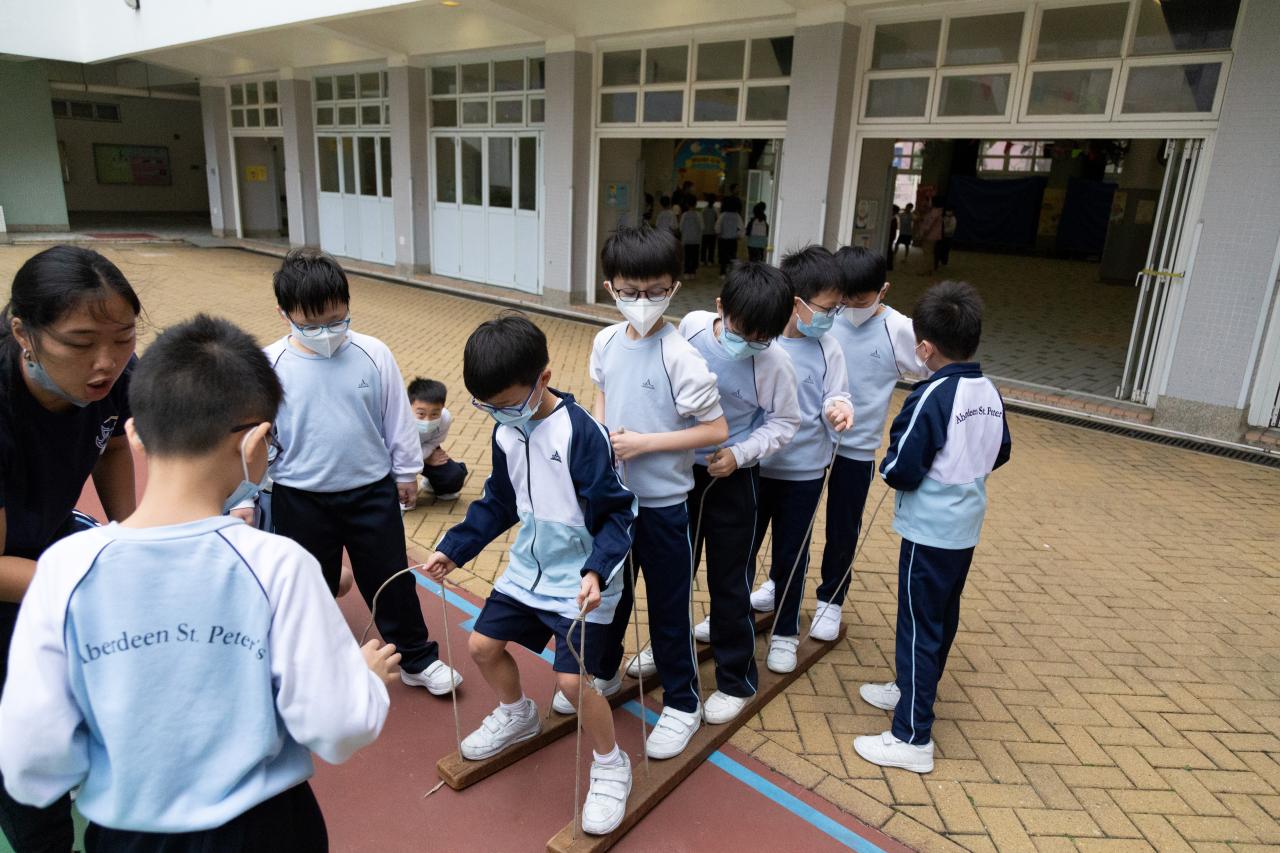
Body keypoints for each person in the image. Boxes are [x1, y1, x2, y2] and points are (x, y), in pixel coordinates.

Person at [0, 314, 397, 850]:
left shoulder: (63, 569)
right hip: (267, 830)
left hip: (125, 835)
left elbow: (31, 761)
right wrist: (364, 681)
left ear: (135, 434)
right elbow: (338, 727)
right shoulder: (279, 564)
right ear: (257, 442)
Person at [424, 313, 637, 836]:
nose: (499, 415)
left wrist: (597, 570)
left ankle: (612, 764)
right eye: (487, 407)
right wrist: (455, 549)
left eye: (506, 404)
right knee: (481, 646)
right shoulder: (506, 429)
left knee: (573, 682)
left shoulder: (581, 432)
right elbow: (499, 500)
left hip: (582, 577)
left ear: (543, 379)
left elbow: (620, 514)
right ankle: (517, 713)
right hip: (529, 567)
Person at [261, 249, 461, 695]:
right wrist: (249, 491)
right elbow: (258, 432)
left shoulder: (373, 353)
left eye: (336, 319)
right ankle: (312, 662)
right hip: (300, 495)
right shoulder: (268, 364)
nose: (326, 332)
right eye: (311, 324)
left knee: (390, 576)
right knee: (309, 583)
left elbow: (396, 417)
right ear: (284, 314)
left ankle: (415, 657)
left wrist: (406, 472)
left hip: (371, 490)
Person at [0, 245, 141, 852]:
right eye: (81, 343)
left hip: (47, 533)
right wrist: (94, 578)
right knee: (18, 737)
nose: (105, 362)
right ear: (23, 334)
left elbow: (113, 444)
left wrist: (131, 534)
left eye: (124, 338)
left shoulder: (115, 378)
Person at [854, 281, 1011, 774]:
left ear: (923, 348)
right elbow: (1001, 450)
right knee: (941, 617)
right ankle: (910, 688)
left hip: (929, 531)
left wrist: (888, 470)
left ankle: (912, 736)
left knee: (918, 625)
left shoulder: (932, 394)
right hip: (965, 525)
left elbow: (902, 465)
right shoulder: (989, 390)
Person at [591, 226, 729, 759]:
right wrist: (601, 440)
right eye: (630, 291)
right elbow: (602, 395)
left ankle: (682, 703)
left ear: (674, 288)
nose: (642, 301)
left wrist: (646, 443)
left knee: (668, 607)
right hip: (615, 505)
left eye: (655, 291)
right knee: (610, 596)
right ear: (611, 287)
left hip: (666, 506)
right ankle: (603, 672)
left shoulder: (680, 356)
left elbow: (715, 430)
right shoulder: (606, 341)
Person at [680, 261, 799, 724]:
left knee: (730, 582)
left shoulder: (775, 363)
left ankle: (736, 680)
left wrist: (740, 453)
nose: (748, 343)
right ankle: (670, 649)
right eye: (740, 331)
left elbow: (784, 422)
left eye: (761, 338)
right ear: (719, 308)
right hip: (678, 472)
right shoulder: (691, 329)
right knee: (674, 572)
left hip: (734, 478)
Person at [746, 247, 854, 673]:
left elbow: (837, 395)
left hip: (804, 472)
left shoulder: (829, 348)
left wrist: (839, 410)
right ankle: (729, 617)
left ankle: (785, 633)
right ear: (797, 303)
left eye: (836, 309)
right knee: (740, 549)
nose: (832, 317)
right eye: (827, 308)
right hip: (753, 467)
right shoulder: (761, 339)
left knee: (792, 554)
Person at [817, 247, 929, 641]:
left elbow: (932, 370)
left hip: (857, 447)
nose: (849, 306)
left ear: (883, 290)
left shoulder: (899, 329)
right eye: (843, 297)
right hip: (810, 441)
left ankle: (830, 600)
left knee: (842, 526)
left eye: (860, 299)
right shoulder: (826, 314)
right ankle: (781, 582)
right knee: (793, 518)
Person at [407, 377, 467, 501]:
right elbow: (390, 452)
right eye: (421, 414)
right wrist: (423, 459)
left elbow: (433, 443)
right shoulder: (397, 419)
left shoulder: (445, 418)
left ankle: (431, 482)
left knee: (453, 477)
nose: (428, 420)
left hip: (427, 449)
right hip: (397, 455)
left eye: (434, 414)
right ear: (409, 405)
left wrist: (425, 457)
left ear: (442, 407)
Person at [715, 204, 744, 277]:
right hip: (733, 240)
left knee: (723, 256)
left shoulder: (723, 215)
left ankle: (723, 272)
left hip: (723, 239)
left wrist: (718, 233)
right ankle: (732, 272)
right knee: (732, 256)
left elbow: (717, 226)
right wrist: (740, 235)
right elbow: (741, 227)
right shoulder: (737, 215)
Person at [679, 199, 703, 276]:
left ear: (687, 205)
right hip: (696, 239)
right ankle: (693, 271)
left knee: (687, 256)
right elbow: (702, 227)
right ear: (695, 204)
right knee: (695, 256)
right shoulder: (699, 215)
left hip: (686, 239)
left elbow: (681, 227)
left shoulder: (684, 215)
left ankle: (687, 271)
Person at [919, 202, 944, 273]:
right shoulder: (937, 212)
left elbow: (929, 226)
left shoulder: (934, 213)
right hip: (933, 236)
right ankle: (930, 269)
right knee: (930, 253)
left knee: (927, 254)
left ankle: (925, 270)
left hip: (929, 236)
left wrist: (923, 235)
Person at [700, 194, 719, 267]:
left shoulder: (704, 210)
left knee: (705, 247)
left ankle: (704, 260)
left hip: (707, 231)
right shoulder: (715, 210)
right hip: (710, 231)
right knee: (710, 247)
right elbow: (717, 220)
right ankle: (709, 260)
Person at [886, 205, 900, 271]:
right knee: (889, 250)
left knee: (889, 251)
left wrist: (892, 238)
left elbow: (893, 230)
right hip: (890, 237)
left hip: (890, 237)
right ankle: (889, 265)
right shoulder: (892, 218)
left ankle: (889, 265)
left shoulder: (893, 219)